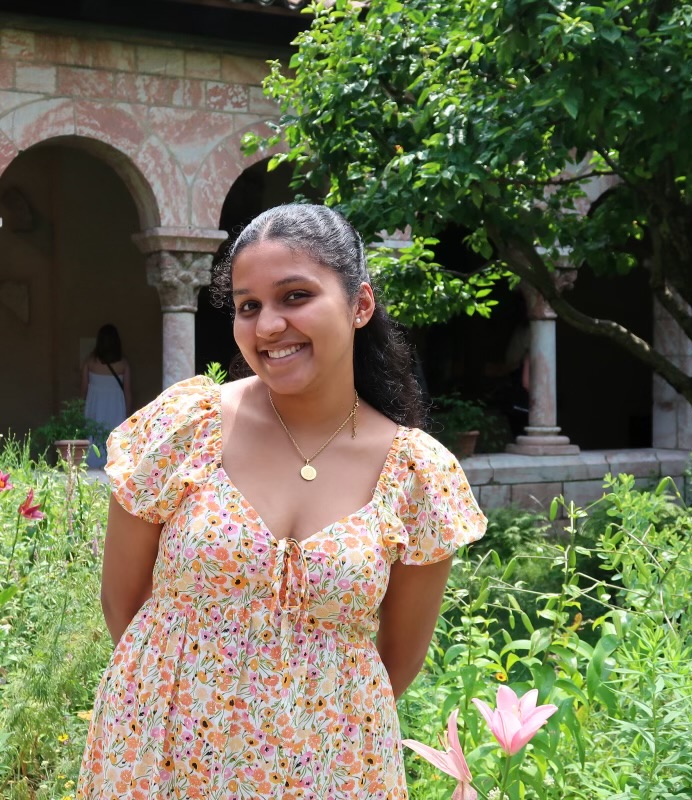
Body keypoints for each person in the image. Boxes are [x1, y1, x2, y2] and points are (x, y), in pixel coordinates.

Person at [79, 204, 487, 799]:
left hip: (332, 763)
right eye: (248, 306)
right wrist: (193, 707)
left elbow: (395, 661)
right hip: (162, 752)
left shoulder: (417, 473)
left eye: (294, 296)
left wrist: (302, 732)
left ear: (361, 305)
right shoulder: (186, 428)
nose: (267, 325)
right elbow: (123, 602)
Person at [81, 324, 132, 469]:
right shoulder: (123, 364)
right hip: (116, 407)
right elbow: (128, 391)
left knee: (93, 438)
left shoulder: (89, 362)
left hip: (94, 407)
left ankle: (92, 467)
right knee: (114, 438)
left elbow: (83, 389)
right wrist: (128, 415)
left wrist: (80, 410)